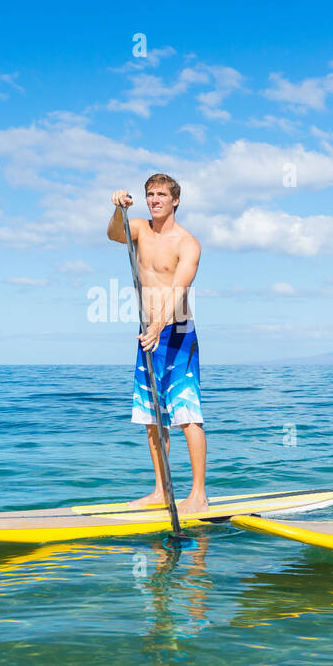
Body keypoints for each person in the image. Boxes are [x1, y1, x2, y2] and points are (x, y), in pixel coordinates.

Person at [107, 174, 207, 515]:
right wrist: (116, 208)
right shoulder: (138, 228)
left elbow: (179, 289)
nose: (154, 199)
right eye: (149, 194)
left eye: (161, 194)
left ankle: (198, 494)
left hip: (177, 334)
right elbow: (114, 234)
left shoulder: (187, 243)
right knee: (152, 416)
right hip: (147, 331)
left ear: (175, 200)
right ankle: (162, 491)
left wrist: (159, 326)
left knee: (186, 414)